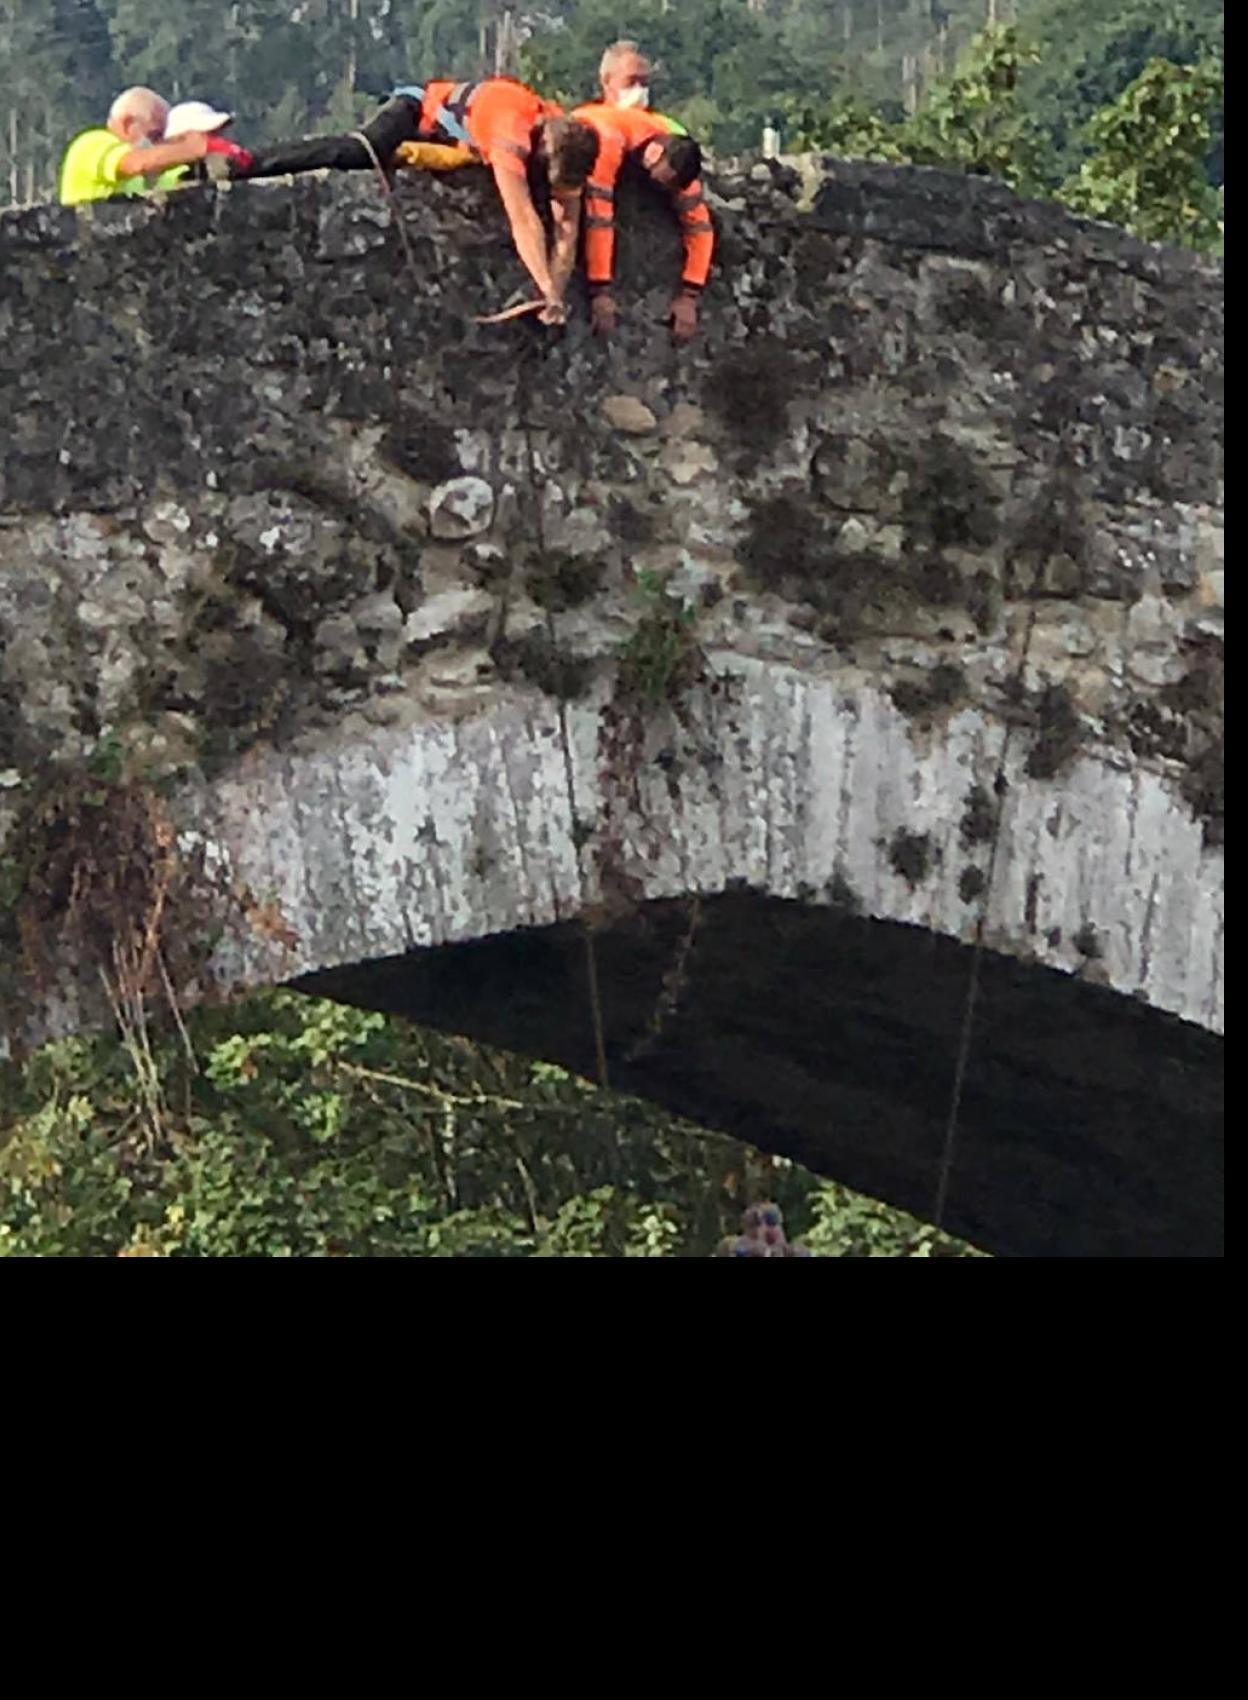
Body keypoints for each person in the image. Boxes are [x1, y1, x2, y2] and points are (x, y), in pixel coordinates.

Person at [239, 79, 599, 325]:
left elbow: (567, 226)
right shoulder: (511, 132)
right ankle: (248, 163)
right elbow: (522, 218)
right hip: (416, 111)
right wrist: (546, 287)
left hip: (454, 141)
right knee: (361, 151)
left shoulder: (569, 140)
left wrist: (554, 293)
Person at [570, 101, 714, 341]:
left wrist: (690, 295)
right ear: (654, 154)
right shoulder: (608, 141)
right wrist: (600, 291)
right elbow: (599, 216)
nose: (666, 190)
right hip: (586, 126)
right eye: (663, 182)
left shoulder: (676, 157)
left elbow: (700, 227)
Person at [58, 87, 212, 207]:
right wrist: (194, 148)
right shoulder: (91, 144)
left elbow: (173, 180)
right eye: (154, 135)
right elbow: (136, 164)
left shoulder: (148, 176)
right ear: (127, 124)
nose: (158, 144)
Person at [162, 101, 255, 183]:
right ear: (181, 137)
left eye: (218, 131)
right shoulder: (167, 175)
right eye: (208, 133)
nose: (218, 137)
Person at [598, 38, 653, 109]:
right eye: (631, 81)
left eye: (644, 82)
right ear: (606, 81)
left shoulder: (658, 120)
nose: (639, 89)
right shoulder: (586, 119)